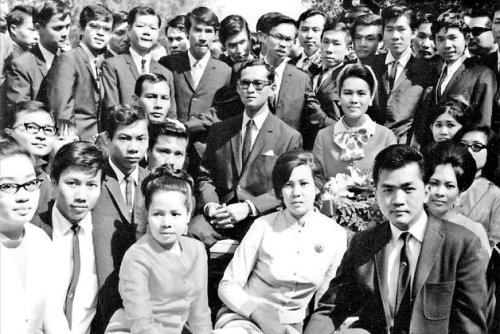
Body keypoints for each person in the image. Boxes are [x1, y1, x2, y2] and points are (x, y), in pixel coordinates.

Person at [304, 144, 489, 334]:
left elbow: (470, 327)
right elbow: (330, 309)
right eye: (388, 190)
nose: (398, 200)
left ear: (426, 191)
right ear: (375, 193)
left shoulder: (461, 245)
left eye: (408, 189)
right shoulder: (363, 244)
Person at [214, 150, 347, 334]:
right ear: (279, 190)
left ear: (317, 187)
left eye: (304, 183)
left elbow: (325, 302)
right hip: (244, 319)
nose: (296, 193)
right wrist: (260, 316)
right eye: (288, 185)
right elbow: (228, 285)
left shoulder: (335, 235)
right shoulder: (262, 226)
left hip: (291, 328)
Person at [189, 59, 303, 247]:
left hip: (261, 216)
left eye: (258, 84)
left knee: (260, 239)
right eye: (245, 83)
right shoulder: (220, 130)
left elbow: (286, 186)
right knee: (193, 231)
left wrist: (249, 208)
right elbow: (205, 176)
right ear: (238, 87)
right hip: (221, 214)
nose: (251, 89)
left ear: (272, 88)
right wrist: (211, 206)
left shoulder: (289, 137)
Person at [105, 166, 212, 334]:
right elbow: (141, 321)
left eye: (175, 214)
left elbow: (200, 311)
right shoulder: (136, 256)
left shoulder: (196, 250)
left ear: (188, 215)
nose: (166, 223)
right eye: (158, 214)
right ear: (147, 214)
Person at [30, 141, 107, 334]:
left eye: (91, 185)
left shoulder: (111, 236)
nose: (82, 195)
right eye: (72, 183)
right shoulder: (32, 231)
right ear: (54, 183)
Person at [91, 104, 150, 332]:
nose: (134, 147)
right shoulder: (93, 179)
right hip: (98, 293)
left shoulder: (153, 182)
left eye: (141, 138)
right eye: (125, 138)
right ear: (107, 138)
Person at [0, 138, 66, 334]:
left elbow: (52, 316)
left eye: (30, 183)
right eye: (8, 186)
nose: (23, 196)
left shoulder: (40, 240)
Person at [159, 7, 231, 168]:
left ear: (215, 34)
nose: (203, 37)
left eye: (208, 31)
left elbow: (222, 111)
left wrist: (188, 127)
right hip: (171, 148)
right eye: (197, 30)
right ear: (186, 31)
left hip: (206, 153)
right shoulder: (168, 63)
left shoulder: (225, 71)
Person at [313, 63, 396, 179]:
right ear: (339, 96)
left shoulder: (386, 136)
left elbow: (391, 181)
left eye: (361, 94)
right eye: (347, 93)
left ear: (371, 98)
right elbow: (318, 181)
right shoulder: (323, 137)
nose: (354, 100)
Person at [45, 4, 113, 142]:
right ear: (81, 29)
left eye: (106, 29)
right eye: (94, 26)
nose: (101, 33)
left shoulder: (101, 63)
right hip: (75, 143)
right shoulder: (68, 59)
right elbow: (62, 111)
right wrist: (70, 145)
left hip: (96, 144)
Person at [369, 5, 437, 144]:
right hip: (370, 146)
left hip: (403, 149)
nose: (395, 36)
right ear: (382, 31)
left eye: (401, 29)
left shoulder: (426, 72)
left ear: (413, 32)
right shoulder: (371, 66)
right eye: (389, 30)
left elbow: (421, 123)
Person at [260, 13, 325, 149]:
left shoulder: (301, 78)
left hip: (286, 152)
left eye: (289, 39)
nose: (283, 44)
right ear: (264, 37)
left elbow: (316, 115)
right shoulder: (245, 71)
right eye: (278, 37)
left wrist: (346, 128)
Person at [101, 6, 176, 114]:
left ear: (158, 33)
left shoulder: (165, 73)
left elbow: (171, 115)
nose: (147, 32)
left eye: (152, 28)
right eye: (140, 26)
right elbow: (112, 110)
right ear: (129, 30)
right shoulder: (113, 66)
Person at [429, 12, 496, 128]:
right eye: (440, 39)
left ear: (466, 39)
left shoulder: (482, 74)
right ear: (435, 42)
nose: (447, 45)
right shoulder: (433, 72)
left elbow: (483, 122)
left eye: (453, 38)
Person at [422, 140, 490, 255]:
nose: (440, 192)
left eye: (449, 186)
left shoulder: (473, 231)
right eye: (434, 183)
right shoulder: (408, 223)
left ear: (460, 193)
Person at [5, 0, 71, 109]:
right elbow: (20, 114)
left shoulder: (70, 59)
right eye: (58, 28)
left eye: (67, 27)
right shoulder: (21, 66)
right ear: (38, 28)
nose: (65, 33)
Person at [4, 101, 57, 214]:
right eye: (32, 127)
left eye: (48, 130)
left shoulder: (46, 174)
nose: (41, 136)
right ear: (9, 132)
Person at [454, 125, 500, 247]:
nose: (467, 151)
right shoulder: (441, 184)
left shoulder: (495, 195)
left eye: (476, 147)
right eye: (462, 145)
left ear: (490, 152)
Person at [313, 20, 354, 125]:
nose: (329, 49)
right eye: (325, 42)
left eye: (336, 44)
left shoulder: (348, 78)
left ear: (348, 49)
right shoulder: (311, 72)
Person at [288, 9, 326, 74]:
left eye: (315, 30)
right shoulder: (289, 65)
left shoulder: (330, 64)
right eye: (304, 29)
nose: (309, 35)